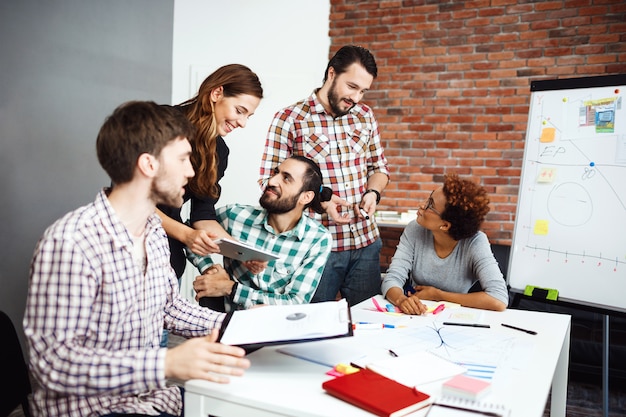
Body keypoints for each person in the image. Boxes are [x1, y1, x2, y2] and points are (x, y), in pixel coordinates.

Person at [23, 101, 250, 417]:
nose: (191, 171)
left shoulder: (153, 228)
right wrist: (167, 362)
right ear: (148, 164)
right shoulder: (72, 242)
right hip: (92, 410)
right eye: (184, 159)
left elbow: (169, 306)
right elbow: (55, 364)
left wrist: (241, 325)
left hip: (152, 398)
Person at [259, 45, 390, 307]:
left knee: (369, 326)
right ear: (331, 74)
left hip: (365, 242)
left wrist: (373, 193)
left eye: (363, 91)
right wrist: (324, 202)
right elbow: (268, 183)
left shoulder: (364, 116)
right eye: (351, 86)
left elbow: (379, 168)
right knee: (312, 330)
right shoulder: (290, 119)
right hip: (316, 248)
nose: (356, 97)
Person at [157, 63, 263, 279]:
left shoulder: (220, 152)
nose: (242, 123)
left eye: (248, 116)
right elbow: (132, 198)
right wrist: (186, 235)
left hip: (167, 262)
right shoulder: (162, 122)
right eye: (239, 111)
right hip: (128, 249)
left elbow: (202, 216)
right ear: (216, 93)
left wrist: (241, 252)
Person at [188, 156, 333, 312]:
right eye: (275, 173)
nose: (271, 181)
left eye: (286, 178)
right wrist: (210, 270)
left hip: (276, 329)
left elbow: (295, 302)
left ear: (306, 197)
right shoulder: (235, 215)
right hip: (225, 322)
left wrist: (231, 289)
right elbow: (189, 232)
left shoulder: (317, 239)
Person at [381, 173, 509, 315]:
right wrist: (401, 300)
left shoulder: (475, 242)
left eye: (430, 205)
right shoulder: (415, 229)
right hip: (418, 315)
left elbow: (499, 299)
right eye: (428, 198)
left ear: (445, 225)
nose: (422, 205)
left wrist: (439, 296)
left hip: (457, 318)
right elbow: (392, 278)